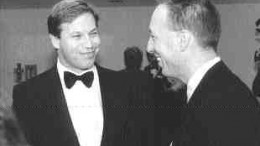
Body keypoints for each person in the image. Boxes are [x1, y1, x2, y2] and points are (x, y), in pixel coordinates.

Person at [12, 0, 149, 146]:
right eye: (77, 36)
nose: (89, 44)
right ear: (55, 41)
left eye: (93, 33)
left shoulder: (124, 87)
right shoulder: (27, 94)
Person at [147, 0, 260, 145]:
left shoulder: (225, 108)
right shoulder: (212, 93)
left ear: (182, 40)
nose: (149, 47)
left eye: (153, 37)